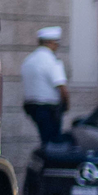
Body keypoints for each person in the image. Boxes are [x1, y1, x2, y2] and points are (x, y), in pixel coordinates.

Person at [20, 25, 68, 154]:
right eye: (56, 43)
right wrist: (66, 105)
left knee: (45, 139)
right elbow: (62, 87)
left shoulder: (28, 60)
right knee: (53, 143)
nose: (57, 46)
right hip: (48, 107)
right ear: (49, 43)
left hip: (32, 106)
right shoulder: (52, 60)